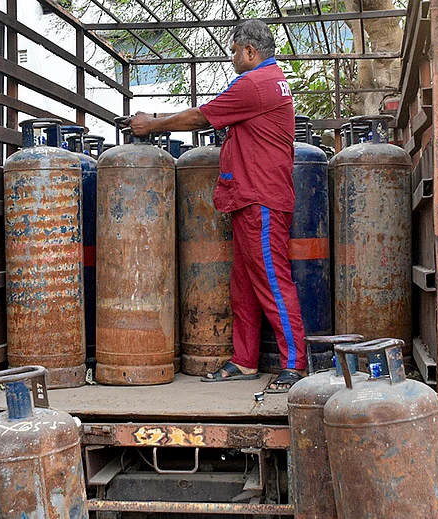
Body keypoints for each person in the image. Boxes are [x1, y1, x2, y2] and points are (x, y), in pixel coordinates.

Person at [127, 19, 306, 392]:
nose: (232, 58)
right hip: (250, 197)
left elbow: (200, 116)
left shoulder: (254, 84)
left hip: (262, 198)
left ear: (250, 51)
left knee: (272, 281)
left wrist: (151, 124)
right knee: (243, 284)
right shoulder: (271, 80)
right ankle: (244, 359)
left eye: (234, 51)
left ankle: (294, 364)